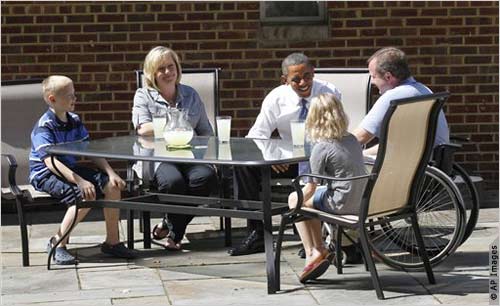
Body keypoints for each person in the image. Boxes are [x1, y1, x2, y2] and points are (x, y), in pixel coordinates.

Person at [228, 52, 342, 256]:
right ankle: (256, 231)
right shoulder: (276, 98)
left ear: (313, 72)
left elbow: (338, 130)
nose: (303, 82)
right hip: (288, 160)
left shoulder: (328, 92)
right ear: (285, 80)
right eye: (296, 79)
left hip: (322, 159)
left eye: (307, 76)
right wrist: (270, 157)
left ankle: (316, 236)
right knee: (245, 165)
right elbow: (256, 135)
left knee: (319, 166)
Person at [29, 75, 135, 265]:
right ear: (52, 99)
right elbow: (50, 162)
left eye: (74, 94)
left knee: (112, 186)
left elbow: (90, 150)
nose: (75, 99)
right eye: (70, 96)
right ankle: (57, 243)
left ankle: (112, 242)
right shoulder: (44, 126)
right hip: (45, 173)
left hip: (69, 168)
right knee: (85, 195)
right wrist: (79, 180)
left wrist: (111, 173)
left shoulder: (75, 120)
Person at [132, 46, 217, 250]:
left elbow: (205, 131)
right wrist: (173, 122)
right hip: (158, 156)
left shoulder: (190, 94)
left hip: (191, 153)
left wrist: (212, 155)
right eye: (161, 69)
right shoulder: (143, 95)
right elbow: (143, 129)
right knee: (173, 183)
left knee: (205, 178)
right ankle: (176, 235)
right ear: (152, 73)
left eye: (171, 67)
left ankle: (170, 224)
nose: (168, 73)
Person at [288, 93, 367, 283]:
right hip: (363, 200)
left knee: (295, 198)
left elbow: (310, 189)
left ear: (313, 118)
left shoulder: (322, 147)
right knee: (309, 202)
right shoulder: (352, 139)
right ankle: (319, 248)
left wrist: (291, 208)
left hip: (341, 203)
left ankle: (313, 251)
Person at [354, 47, 450, 156]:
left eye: (373, 77)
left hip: (407, 167)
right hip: (430, 163)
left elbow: (360, 137)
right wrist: (362, 155)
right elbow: (393, 145)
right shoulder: (424, 91)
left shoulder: (394, 96)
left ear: (388, 77)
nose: (372, 82)